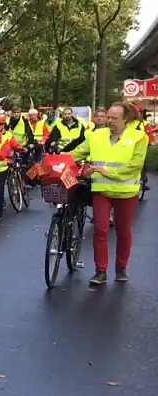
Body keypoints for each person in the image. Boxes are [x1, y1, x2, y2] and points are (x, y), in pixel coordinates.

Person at [67, 102, 147, 285]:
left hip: (126, 192)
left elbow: (135, 166)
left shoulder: (138, 137)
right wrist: (56, 160)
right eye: (108, 117)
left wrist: (106, 171)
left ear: (125, 119)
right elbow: (77, 153)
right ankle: (100, 271)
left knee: (123, 232)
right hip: (101, 191)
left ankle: (121, 268)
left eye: (113, 118)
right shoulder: (96, 135)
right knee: (100, 230)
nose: (109, 121)